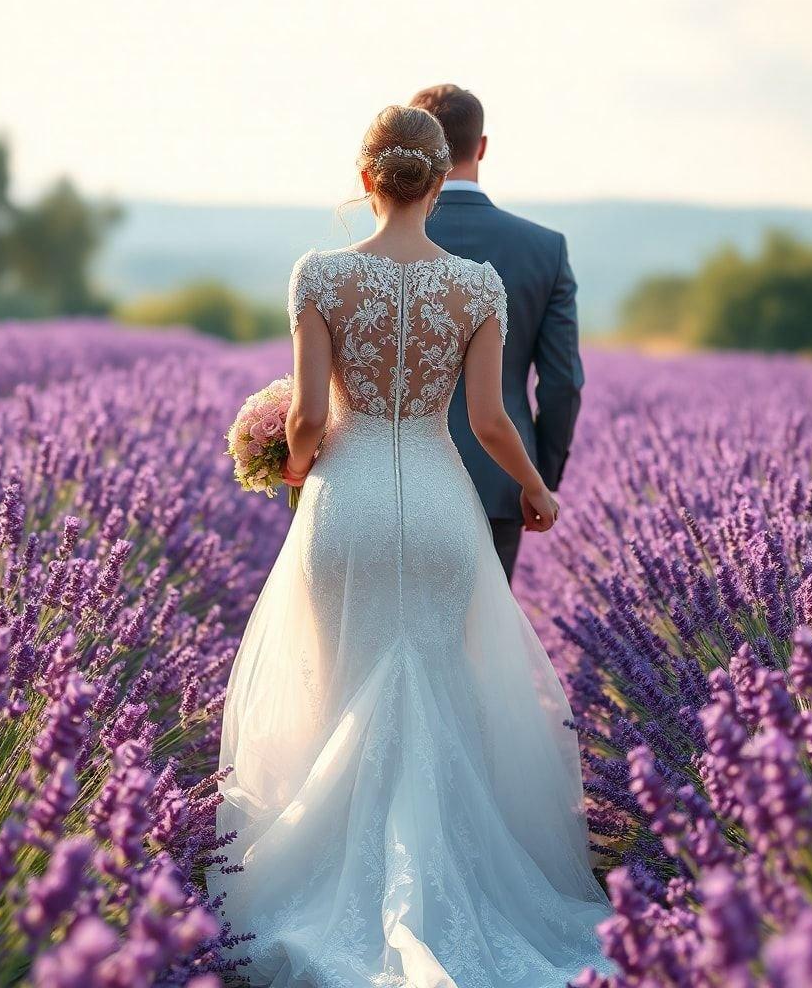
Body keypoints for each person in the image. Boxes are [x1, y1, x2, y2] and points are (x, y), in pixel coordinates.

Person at [207, 105, 610, 987]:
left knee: (339, 680)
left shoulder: (318, 275)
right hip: (437, 504)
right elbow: (491, 420)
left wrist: (292, 465)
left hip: (345, 507)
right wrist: (538, 490)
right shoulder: (477, 285)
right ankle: (445, 895)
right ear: (439, 180)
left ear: (365, 181)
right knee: (437, 684)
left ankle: (330, 887)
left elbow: (311, 418)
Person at [410, 84, 584, 582]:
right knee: (476, 650)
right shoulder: (544, 249)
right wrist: (536, 479)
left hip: (389, 483)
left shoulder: (374, 249)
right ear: (480, 146)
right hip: (499, 481)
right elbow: (562, 384)